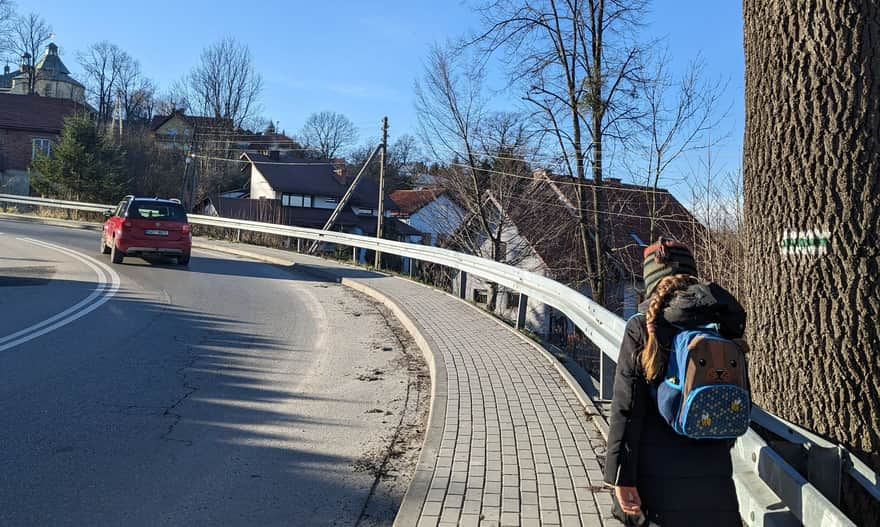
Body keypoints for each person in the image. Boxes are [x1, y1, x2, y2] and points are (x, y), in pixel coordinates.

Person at [603, 238, 746, 527]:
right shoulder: (721, 325)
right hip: (714, 481)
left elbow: (626, 410)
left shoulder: (643, 326)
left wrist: (620, 477)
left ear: (650, 279)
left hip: (656, 485)